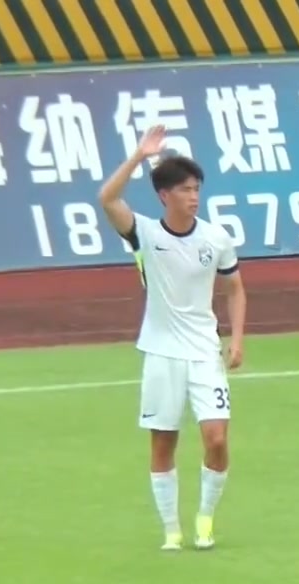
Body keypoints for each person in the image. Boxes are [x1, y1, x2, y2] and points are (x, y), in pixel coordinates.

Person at [98, 124, 247, 552]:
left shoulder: (215, 238)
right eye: (184, 189)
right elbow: (107, 198)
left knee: (217, 438)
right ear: (164, 195)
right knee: (163, 441)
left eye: (196, 189)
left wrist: (237, 339)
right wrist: (138, 156)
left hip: (204, 352)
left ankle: (205, 518)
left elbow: (235, 289)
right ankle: (171, 530)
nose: (193, 196)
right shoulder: (144, 233)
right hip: (161, 353)